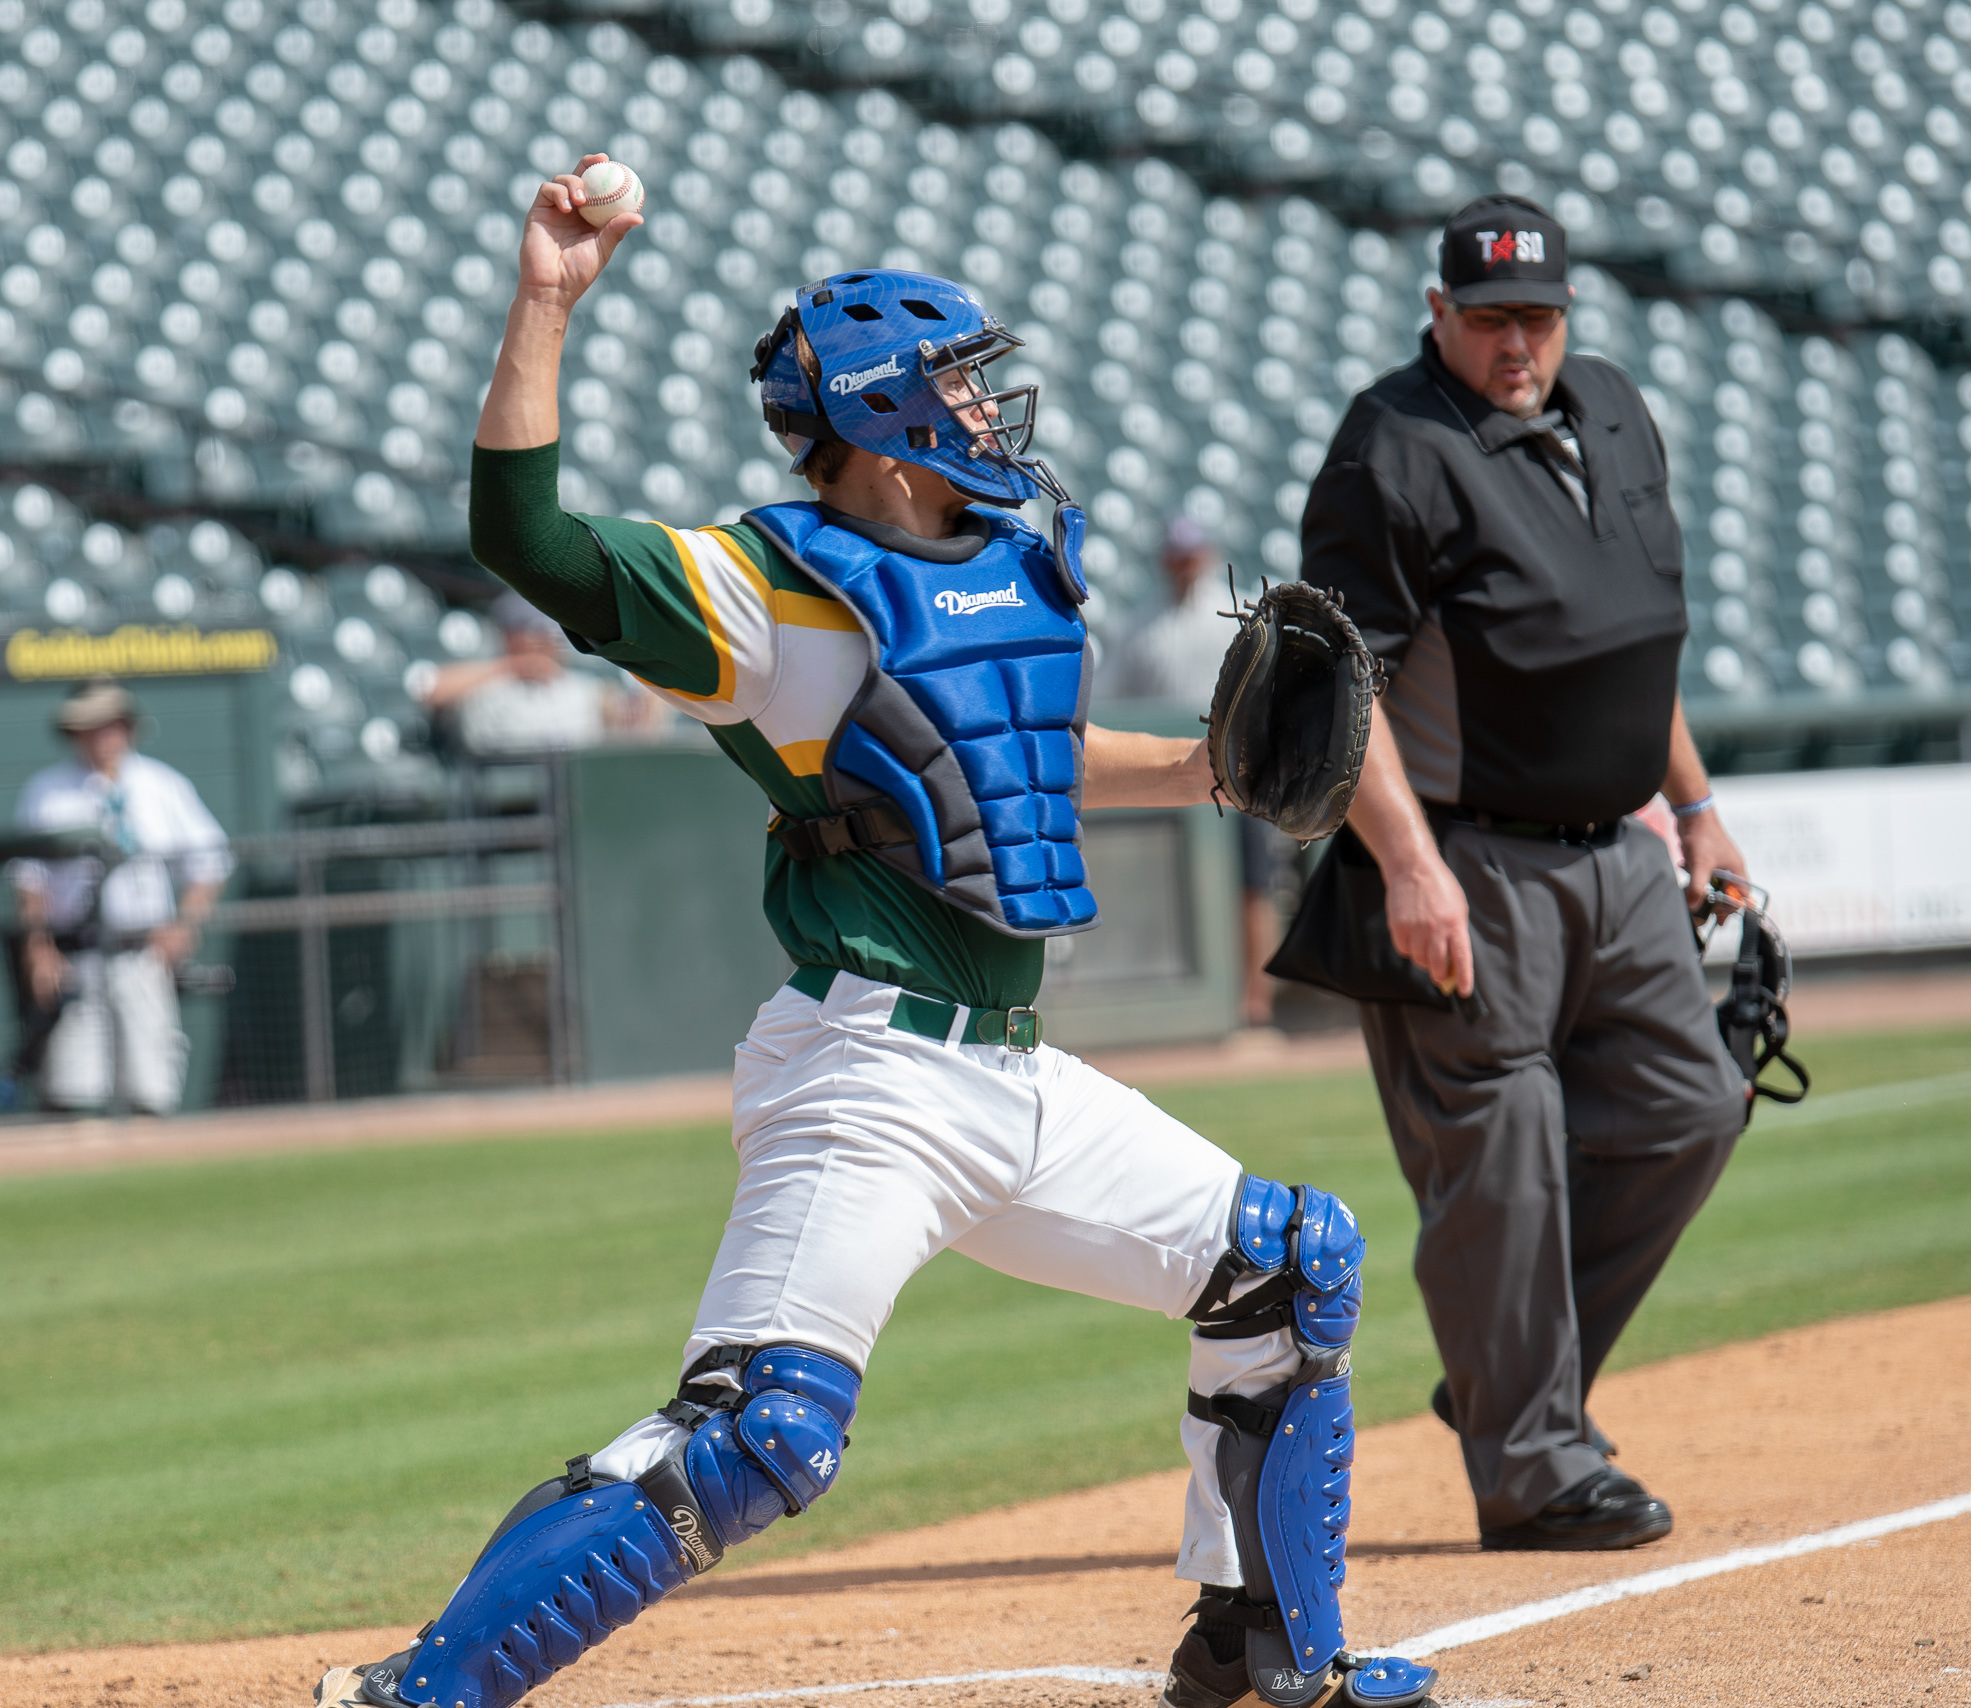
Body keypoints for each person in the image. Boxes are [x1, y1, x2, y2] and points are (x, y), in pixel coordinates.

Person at [312, 158, 1436, 1708]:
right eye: (961, 384)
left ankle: (1266, 1650)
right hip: (869, 1080)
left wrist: (1202, 771)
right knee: (764, 1431)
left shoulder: (1010, 565)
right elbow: (529, 539)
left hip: (1017, 1079)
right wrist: (547, 304)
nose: (989, 407)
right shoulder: (767, 588)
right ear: (888, 421)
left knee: (1290, 1266)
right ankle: (420, 1693)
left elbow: (1014, 754)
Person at [1298, 194, 1751, 1552]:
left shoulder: (1608, 405)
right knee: (1499, 1163)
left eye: (1538, 319)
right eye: (1490, 319)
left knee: (1691, 1108)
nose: (1517, 345)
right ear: (1437, 313)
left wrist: (1698, 807)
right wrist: (1408, 866)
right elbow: (1340, 688)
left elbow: (1632, 638)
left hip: (1622, 849)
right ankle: (1533, 1467)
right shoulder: (1391, 449)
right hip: (1470, 861)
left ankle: (1507, 1382)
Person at [8, 677, 231, 1116]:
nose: (101, 735)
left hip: (141, 952)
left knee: (151, 1089)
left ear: (128, 727)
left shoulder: (161, 784)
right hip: (75, 955)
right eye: (90, 725)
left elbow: (211, 861)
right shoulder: (46, 790)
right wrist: (38, 948)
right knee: (72, 1092)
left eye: (110, 724)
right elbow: (30, 881)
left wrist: (184, 924)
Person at [1105, 516, 1290, 1032]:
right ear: (1165, 558)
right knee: (1181, 890)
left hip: (1240, 767)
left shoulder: (1237, 615)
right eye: (1177, 554)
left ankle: (1255, 1005)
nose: (1184, 563)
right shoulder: (1141, 626)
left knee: (1253, 886)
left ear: (1206, 554)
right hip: (1170, 770)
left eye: (1191, 553)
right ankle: (1186, 1008)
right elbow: (1114, 703)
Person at [423, 590, 660, 753]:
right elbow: (427, 689)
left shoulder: (584, 689)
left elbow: (634, 730)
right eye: (534, 632)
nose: (546, 640)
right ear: (508, 635)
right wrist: (514, 666)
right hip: (498, 797)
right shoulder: (482, 683)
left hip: (574, 794)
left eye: (552, 632)